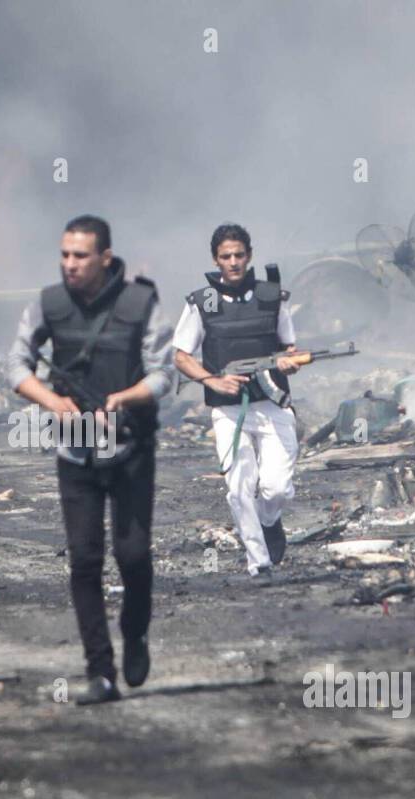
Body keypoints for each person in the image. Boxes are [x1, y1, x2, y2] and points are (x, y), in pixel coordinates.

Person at [7, 215, 174, 705]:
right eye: (64, 255)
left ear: (105, 257)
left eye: (80, 256)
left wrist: (126, 396)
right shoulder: (48, 303)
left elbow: (164, 373)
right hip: (74, 449)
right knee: (84, 560)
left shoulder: (140, 301)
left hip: (131, 450)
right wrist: (50, 401)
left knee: (134, 556)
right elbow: (15, 362)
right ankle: (100, 672)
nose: (70, 265)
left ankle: (136, 632)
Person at [172, 223, 301, 584]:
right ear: (216, 259)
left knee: (276, 488)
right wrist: (212, 380)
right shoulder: (203, 302)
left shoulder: (271, 295)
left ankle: (269, 520)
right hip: (230, 411)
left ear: (249, 256)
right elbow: (181, 355)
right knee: (240, 487)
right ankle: (258, 562)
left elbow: (290, 346)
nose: (233, 262)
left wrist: (289, 359)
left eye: (239, 255)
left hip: (273, 404)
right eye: (226, 256)